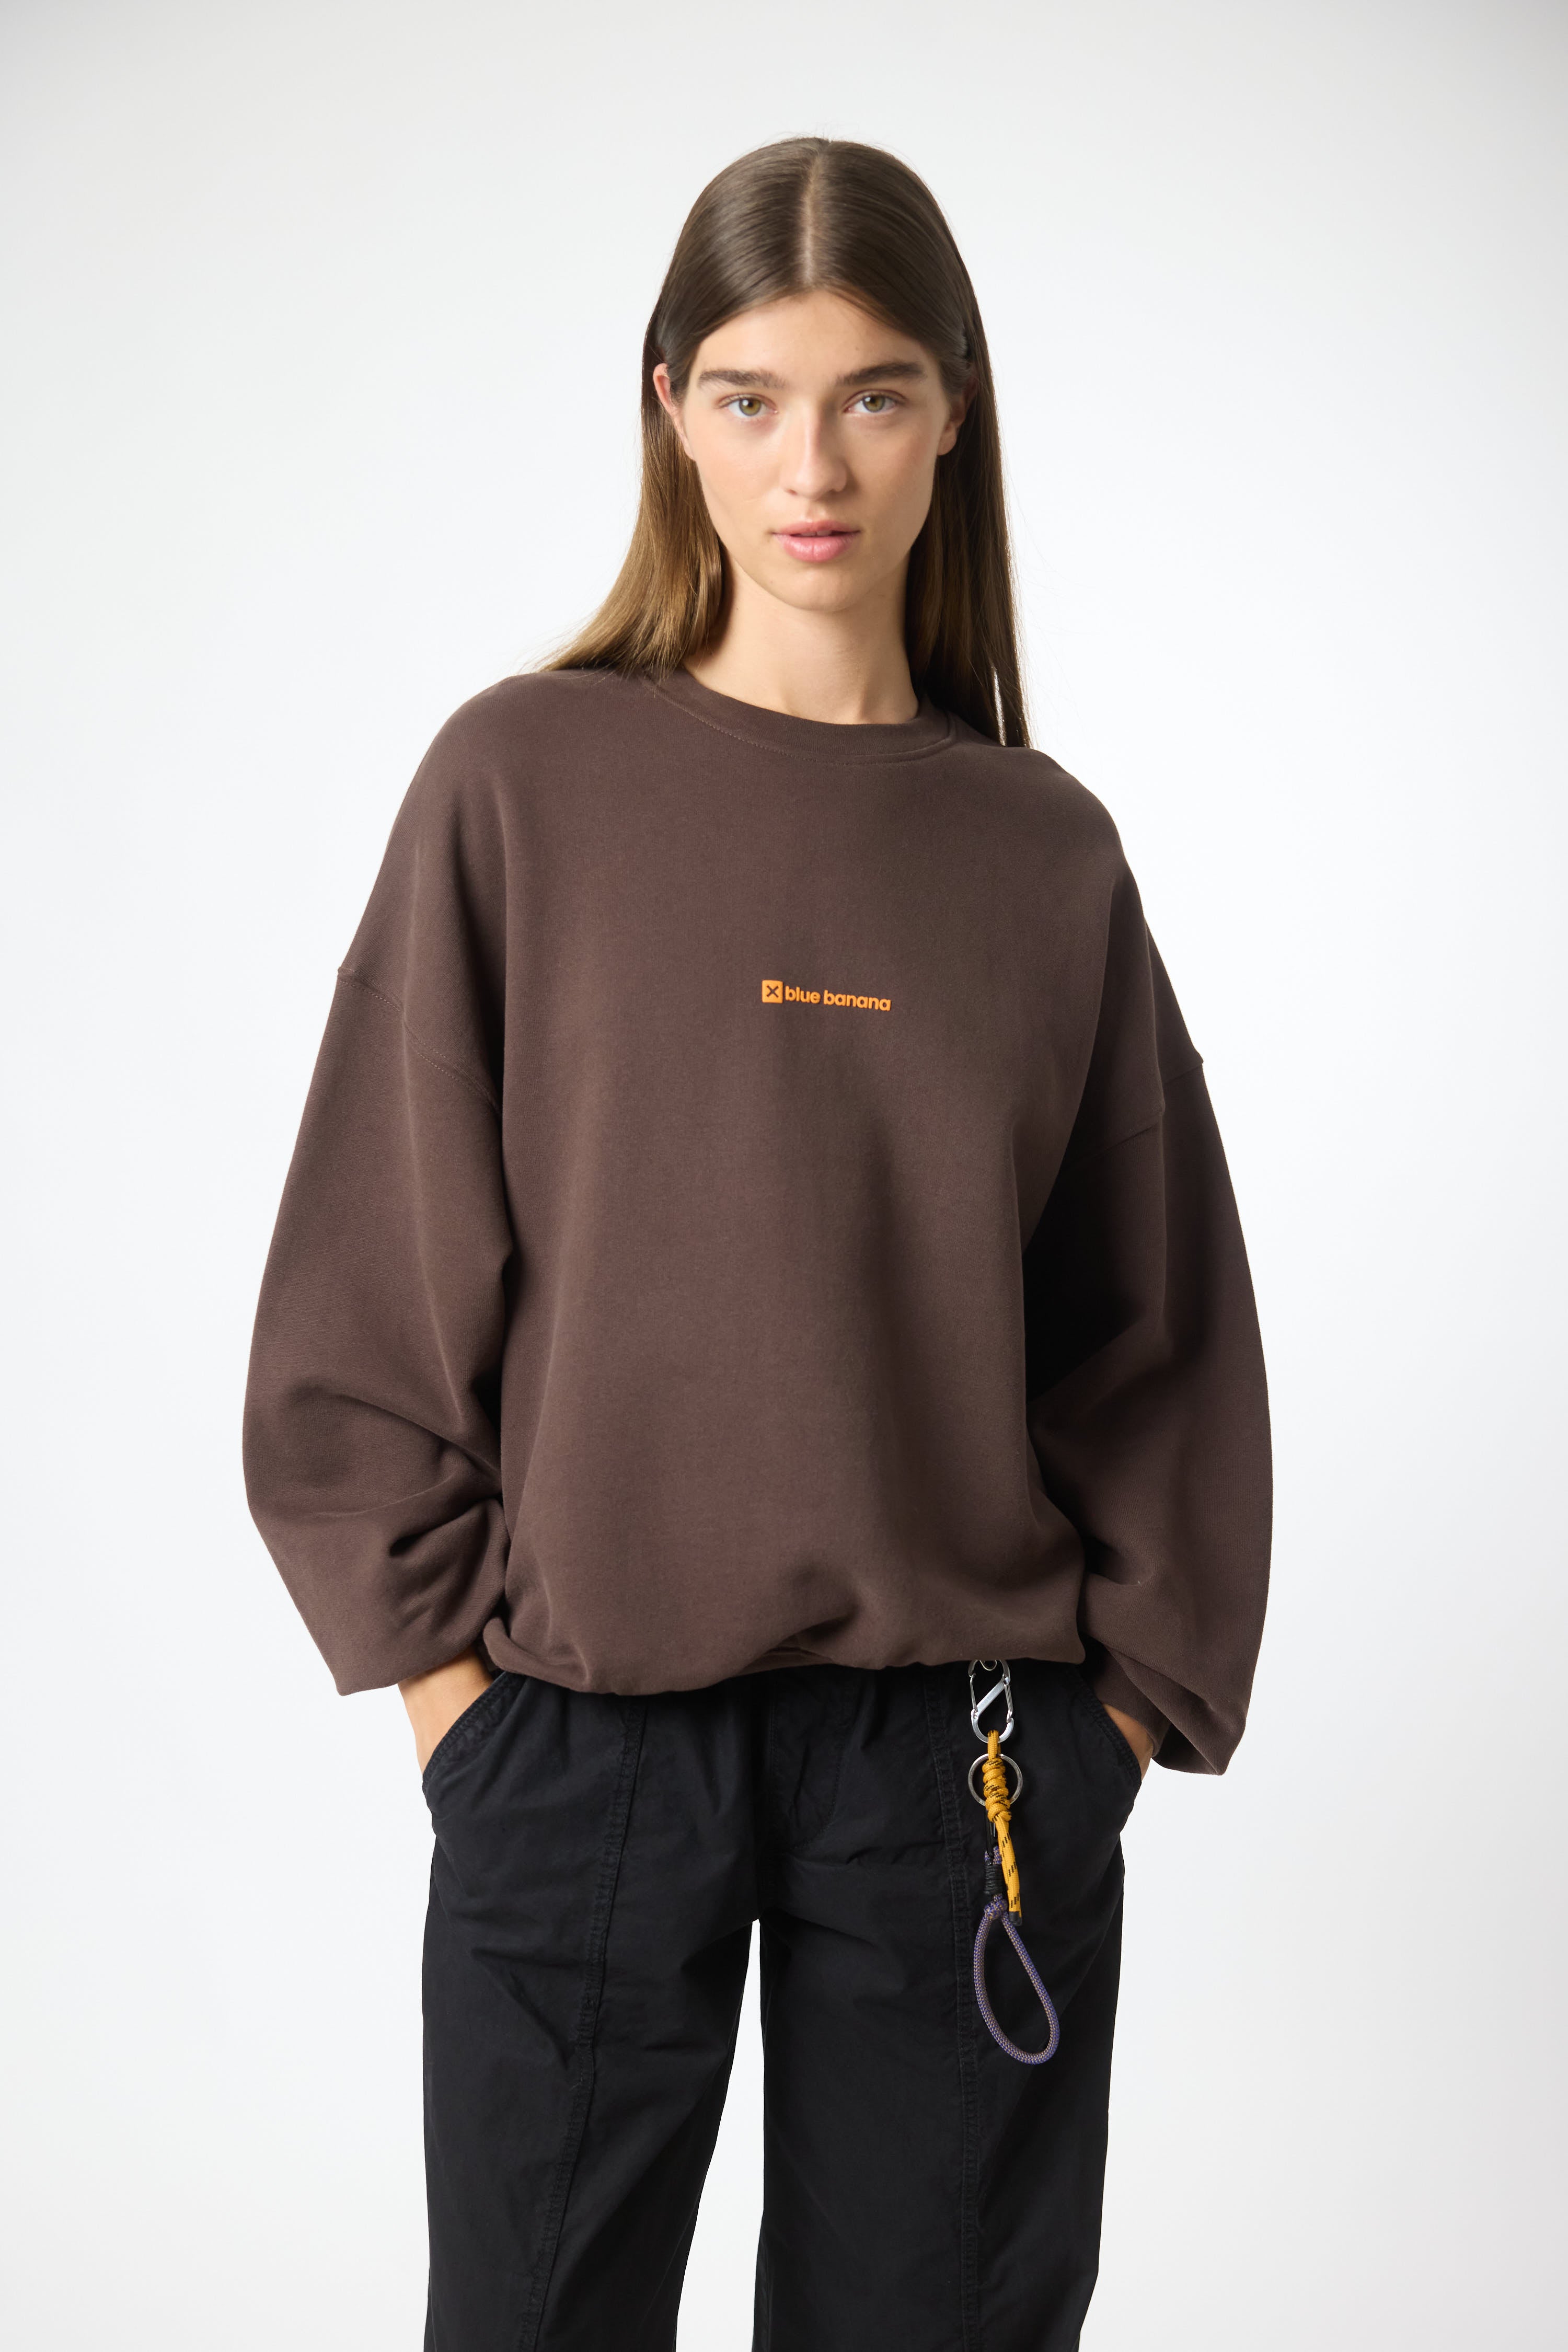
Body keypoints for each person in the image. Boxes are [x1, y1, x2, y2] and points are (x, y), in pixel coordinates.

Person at [243, 135, 1271, 2352]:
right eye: (751, 397)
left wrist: (1108, 1731)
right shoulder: (517, 784)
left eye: (874, 395)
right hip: (576, 1735)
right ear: (670, 410)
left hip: (965, 1763)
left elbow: (1157, 1328)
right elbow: (370, 1273)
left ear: (953, 412)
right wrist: (455, 1708)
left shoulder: (1042, 853)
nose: (813, 466)